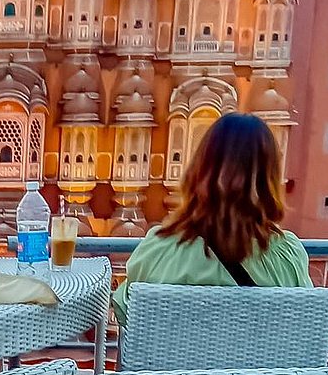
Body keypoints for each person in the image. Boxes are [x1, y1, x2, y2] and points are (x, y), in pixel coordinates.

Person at [112, 113, 311, 324]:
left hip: (176, 347)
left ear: (199, 169)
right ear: (269, 179)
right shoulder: (287, 257)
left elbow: (127, 312)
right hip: (261, 347)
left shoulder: (159, 249)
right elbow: (304, 321)